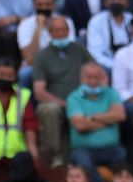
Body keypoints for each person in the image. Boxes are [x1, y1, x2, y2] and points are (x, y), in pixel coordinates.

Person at [30, 15, 93, 167]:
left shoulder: (80, 50)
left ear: (69, 31)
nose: (60, 34)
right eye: (56, 30)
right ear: (50, 32)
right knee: (49, 109)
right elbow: (39, 92)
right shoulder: (42, 56)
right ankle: (56, 154)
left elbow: (96, 73)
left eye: (63, 30)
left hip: (81, 99)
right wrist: (65, 104)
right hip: (56, 102)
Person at [67, 60, 127, 182]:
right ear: (81, 78)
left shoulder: (111, 93)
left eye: (97, 77)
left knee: (124, 165)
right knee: (85, 166)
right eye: (89, 77)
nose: (93, 82)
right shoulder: (74, 97)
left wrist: (92, 117)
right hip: (83, 148)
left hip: (111, 148)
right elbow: (80, 125)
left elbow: (120, 115)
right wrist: (108, 120)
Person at [84, 0, 133, 71]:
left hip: (132, 67)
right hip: (107, 67)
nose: (116, 2)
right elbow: (96, 54)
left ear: (127, 2)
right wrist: (117, 67)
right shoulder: (96, 21)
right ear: (106, 2)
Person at [18, 0, 60, 71]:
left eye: (47, 4)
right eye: (39, 5)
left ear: (54, 5)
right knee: (24, 73)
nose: (43, 8)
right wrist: (39, 28)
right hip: (34, 66)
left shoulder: (65, 22)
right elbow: (29, 59)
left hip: (59, 65)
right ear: (34, 5)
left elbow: (68, 53)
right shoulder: (25, 25)